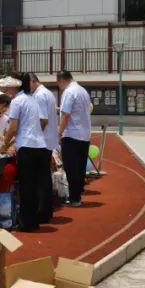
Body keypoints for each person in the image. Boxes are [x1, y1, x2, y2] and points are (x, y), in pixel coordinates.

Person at [0, 74, 50, 233]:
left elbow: (13, 127)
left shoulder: (17, 101)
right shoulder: (32, 99)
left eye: (9, 85)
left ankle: (26, 223)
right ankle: (34, 220)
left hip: (27, 147)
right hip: (40, 145)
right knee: (36, 185)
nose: (6, 88)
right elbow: (37, 123)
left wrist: (4, 144)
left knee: (26, 187)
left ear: (16, 86)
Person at [56, 71, 92, 207]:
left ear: (61, 80)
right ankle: (78, 194)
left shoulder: (69, 92)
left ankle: (74, 198)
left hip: (72, 134)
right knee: (80, 167)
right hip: (84, 134)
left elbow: (66, 114)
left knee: (71, 167)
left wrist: (59, 132)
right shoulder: (83, 91)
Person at [30, 73, 60, 222]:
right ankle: (46, 211)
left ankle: (41, 212)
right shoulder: (47, 93)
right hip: (47, 141)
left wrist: (32, 136)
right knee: (44, 177)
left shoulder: (39, 95)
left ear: (33, 81)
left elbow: (42, 120)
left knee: (40, 178)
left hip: (41, 142)